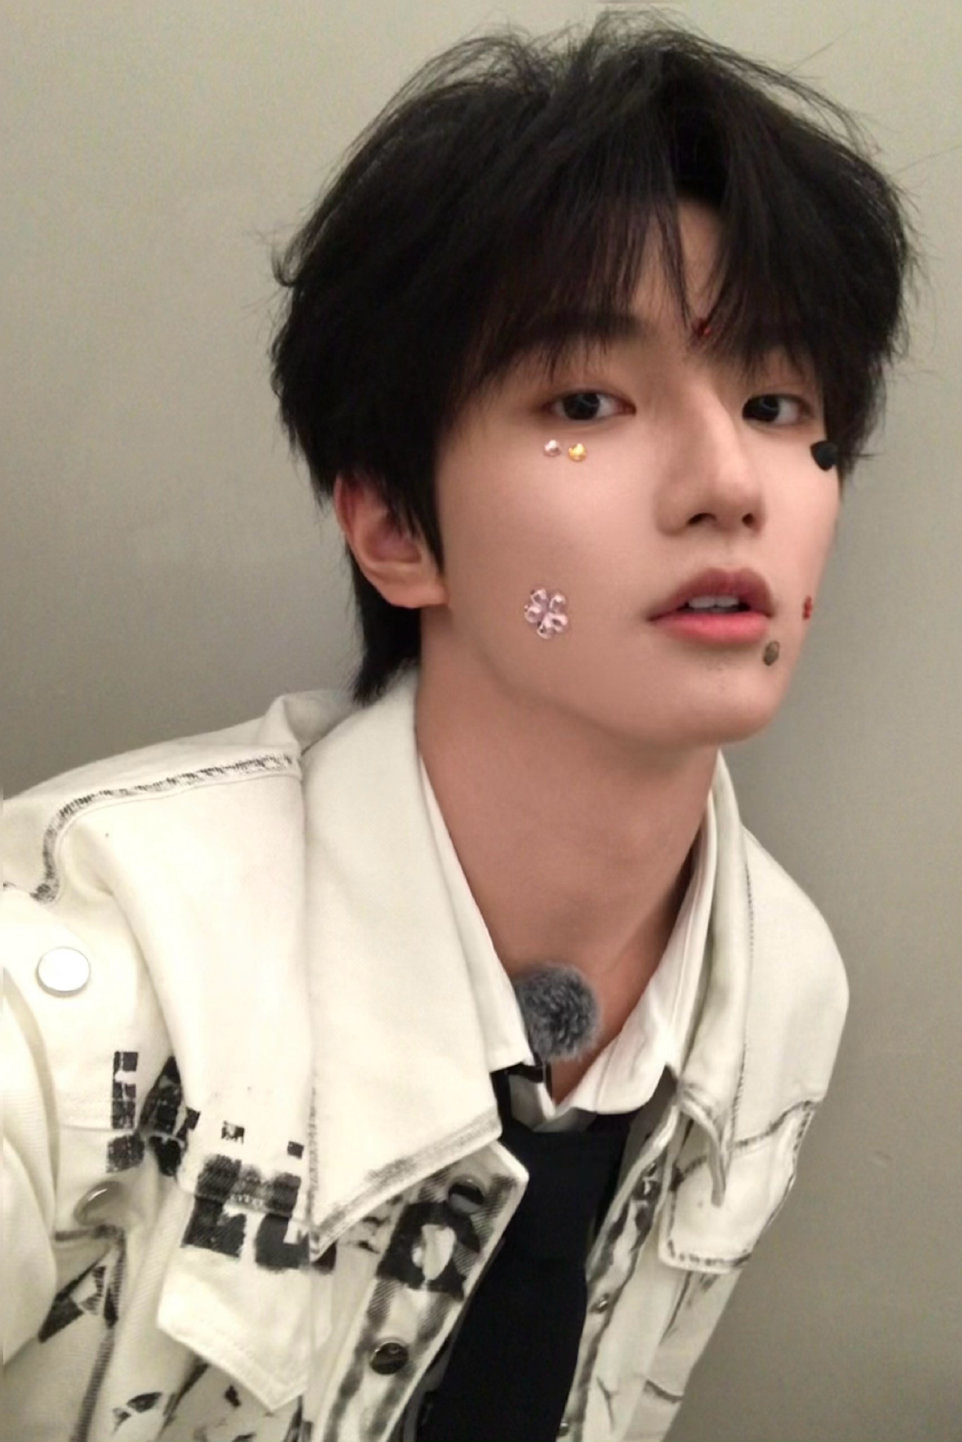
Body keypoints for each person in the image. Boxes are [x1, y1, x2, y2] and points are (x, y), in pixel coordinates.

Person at [0, 13, 912, 1442]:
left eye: (777, 399)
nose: (730, 481)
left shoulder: (779, 986)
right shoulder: (76, 996)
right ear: (396, 529)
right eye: (587, 401)